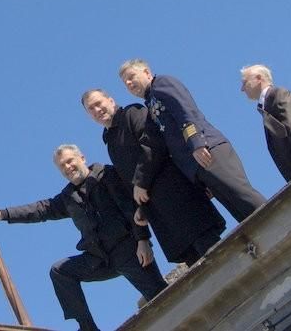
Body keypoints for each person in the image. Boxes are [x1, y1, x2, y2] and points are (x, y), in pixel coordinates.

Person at [0, 144, 166, 331]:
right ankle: (87, 328)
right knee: (60, 271)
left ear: (82, 158)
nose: (67, 167)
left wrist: (142, 240)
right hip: (98, 259)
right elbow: (40, 210)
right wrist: (1, 214)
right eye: (62, 166)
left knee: (162, 298)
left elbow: (130, 209)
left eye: (69, 161)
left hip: (129, 252)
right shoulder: (68, 197)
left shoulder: (106, 176)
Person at [80, 88, 225, 265]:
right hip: (158, 212)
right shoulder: (110, 141)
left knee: (215, 254)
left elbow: (153, 145)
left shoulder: (132, 113)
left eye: (98, 103)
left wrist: (141, 183)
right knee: (195, 263)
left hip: (178, 195)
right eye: (91, 109)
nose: (97, 110)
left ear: (110, 100)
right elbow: (128, 182)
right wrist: (141, 210)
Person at [119, 59, 266, 222]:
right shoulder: (150, 102)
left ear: (147, 72)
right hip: (197, 165)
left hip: (208, 150)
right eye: (125, 83)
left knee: (242, 196)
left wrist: (196, 142)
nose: (129, 83)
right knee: (238, 210)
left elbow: (185, 111)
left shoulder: (161, 83)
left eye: (131, 77)